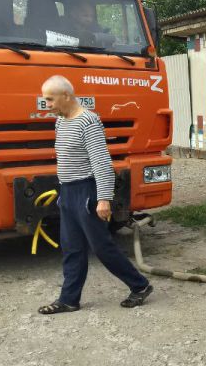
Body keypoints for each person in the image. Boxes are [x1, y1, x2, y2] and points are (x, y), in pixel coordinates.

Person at [37, 75, 153, 314]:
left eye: (49, 99)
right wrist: (63, 192)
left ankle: (140, 286)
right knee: (71, 248)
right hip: (68, 192)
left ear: (66, 96)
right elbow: (67, 160)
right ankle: (69, 300)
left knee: (101, 247)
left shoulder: (88, 122)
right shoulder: (61, 121)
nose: (46, 104)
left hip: (87, 192)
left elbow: (101, 163)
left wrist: (103, 199)